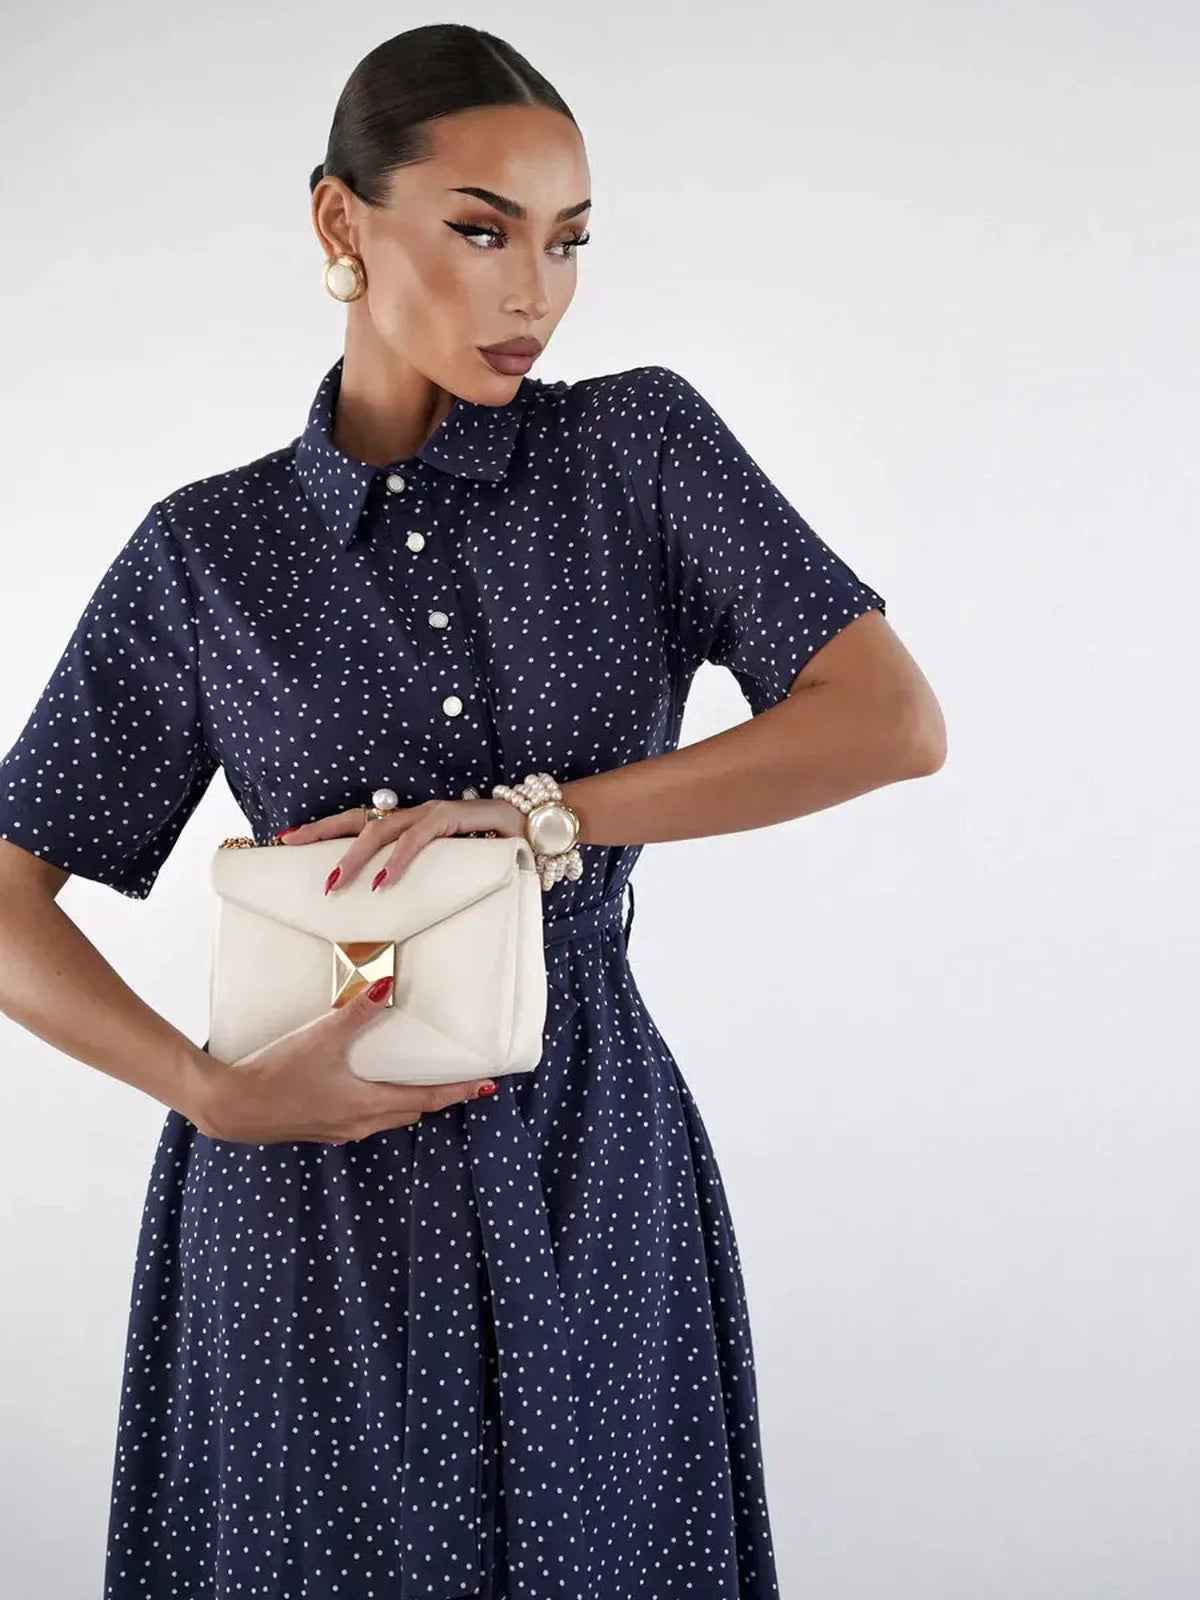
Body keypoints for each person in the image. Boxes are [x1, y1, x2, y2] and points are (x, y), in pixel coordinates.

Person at [0, 22, 946, 1600]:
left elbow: (888, 721)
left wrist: (536, 821)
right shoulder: (207, 554)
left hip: (587, 1149)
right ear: (338, 225)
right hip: (300, 1194)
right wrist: (203, 1089)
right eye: (482, 230)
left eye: (568, 243)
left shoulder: (638, 447)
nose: (535, 295)